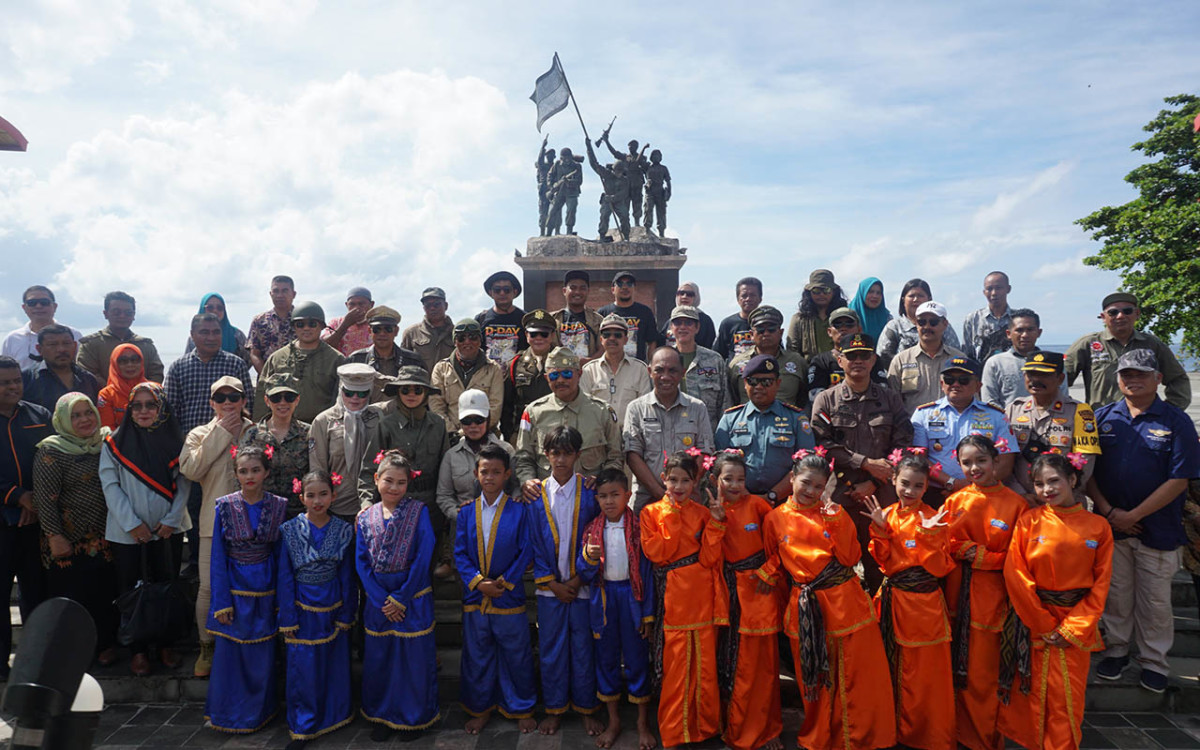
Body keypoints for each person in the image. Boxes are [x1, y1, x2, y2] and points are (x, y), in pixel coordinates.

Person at [759, 453, 896, 750]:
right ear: (792, 479)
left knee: (858, 677)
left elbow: (850, 558)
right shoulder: (774, 518)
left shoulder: (833, 512)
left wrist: (835, 520)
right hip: (806, 608)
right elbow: (777, 567)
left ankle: (861, 739)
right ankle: (821, 738)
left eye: (818, 487)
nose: (810, 491)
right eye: (805, 483)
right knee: (816, 681)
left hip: (846, 604)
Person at [1089, 349, 1200, 692]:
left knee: (1154, 600)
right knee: (1118, 595)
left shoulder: (1175, 420)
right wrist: (1110, 512)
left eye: (1141, 374)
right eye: (1126, 374)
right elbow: (1087, 471)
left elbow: (1179, 479)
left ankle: (1154, 660)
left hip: (1158, 527)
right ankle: (1118, 651)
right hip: (1112, 524)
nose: (1132, 380)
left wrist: (1133, 515)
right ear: (1117, 379)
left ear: (1158, 379)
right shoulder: (1102, 417)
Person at [998, 453, 1113, 750]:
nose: (1046, 489)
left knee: (1066, 699)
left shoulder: (1098, 527)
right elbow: (1016, 574)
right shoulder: (1028, 521)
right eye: (1038, 484)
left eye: (1053, 481)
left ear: (1073, 480)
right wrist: (1043, 623)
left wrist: (1071, 628)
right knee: (1033, 696)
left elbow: (1100, 585)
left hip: (1076, 625)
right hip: (1035, 622)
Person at [941, 434, 1029, 750]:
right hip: (957, 596)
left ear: (996, 461)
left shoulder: (1016, 504)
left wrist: (984, 558)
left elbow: (1022, 557)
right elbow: (943, 544)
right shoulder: (955, 501)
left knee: (984, 672)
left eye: (981, 461)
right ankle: (958, 733)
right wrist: (958, 549)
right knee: (958, 670)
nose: (974, 468)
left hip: (995, 599)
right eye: (966, 463)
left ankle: (985, 737)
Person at [863, 453, 954, 750]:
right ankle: (893, 729)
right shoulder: (886, 513)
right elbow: (881, 560)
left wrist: (929, 534)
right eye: (905, 483)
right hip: (893, 600)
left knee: (925, 673)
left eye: (918, 485)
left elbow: (939, 568)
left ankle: (927, 735)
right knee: (891, 667)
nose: (910, 491)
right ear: (893, 480)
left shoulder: (933, 517)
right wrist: (879, 529)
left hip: (924, 606)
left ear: (927, 487)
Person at [100, 382, 190, 676]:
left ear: (162, 408)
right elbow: (110, 486)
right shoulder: (113, 443)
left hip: (168, 531)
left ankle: (165, 645)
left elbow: (184, 485)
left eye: (150, 405)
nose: (143, 411)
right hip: (127, 534)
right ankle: (138, 650)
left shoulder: (177, 442)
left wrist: (171, 521)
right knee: (131, 591)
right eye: (136, 405)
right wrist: (132, 525)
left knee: (167, 586)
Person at [811, 333, 913, 592]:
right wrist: (865, 464)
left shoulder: (890, 398)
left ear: (873, 359)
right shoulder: (826, 400)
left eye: (864, 355)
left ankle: (884, 626)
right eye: (851, 356)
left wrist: (873, 482)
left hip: (882, 497)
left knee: (883, 566)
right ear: (839, 359)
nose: (858, 361)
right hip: (839, 497)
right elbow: (823, 446)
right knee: (837, 569)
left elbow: (903, 444)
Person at [640, 451, 727, 750]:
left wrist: (716, 524)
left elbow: (709, 558)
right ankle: (676, 733)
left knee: (704, 664)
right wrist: (673, 516)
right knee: (676, 666)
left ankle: (705, 728)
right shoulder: (650, 513)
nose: (678, 486)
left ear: (696, 482)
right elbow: (658, 553)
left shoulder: (703, 513)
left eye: (685, 481)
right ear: (663, 478)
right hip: (673, 596)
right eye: (673, 479)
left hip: (702, 593)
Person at [357, 451, 440, 741]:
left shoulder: (419, 512)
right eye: (388, 480)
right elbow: (361, 561)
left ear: (408, 485)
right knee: (381, 659)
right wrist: (381, 599)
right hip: (378, 602)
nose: (394, 488)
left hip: (412, 598)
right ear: (376, 479)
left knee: (412, 661)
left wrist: (402, 597)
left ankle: (414, 717)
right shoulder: (365, 517)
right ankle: (381, 715)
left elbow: (423, 554)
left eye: (401, 483)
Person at [205, 445, 287, 734]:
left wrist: (281, 599)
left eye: (255, 470)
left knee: (261, 655)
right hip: (235, 592)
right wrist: (221, 601)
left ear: (266, 472)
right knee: (231, 656)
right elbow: (217, 556)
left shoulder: (279, 505)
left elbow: (281, 556)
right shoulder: (225, 506)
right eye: (243, 471)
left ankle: (260, 712)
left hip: (266, 591)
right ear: (236, 474)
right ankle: (227, 713)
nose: (249, 475)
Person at [455, 444, 538, 734]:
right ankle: (480, 708)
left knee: (516, 653)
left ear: (507, 475)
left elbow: (526, 548)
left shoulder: (519, 511)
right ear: (477, 475)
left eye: (495, 472)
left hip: (508, 593)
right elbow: (460, 553)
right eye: (484, 472)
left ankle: (521, 706)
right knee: (478, 654)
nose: (489, 477)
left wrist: (504, 582)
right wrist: (479, 583)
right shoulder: (466, 512)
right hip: (477, 597)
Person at [32, 392, 119, 666]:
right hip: (66, 540)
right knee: (73, 598)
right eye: (76, 415)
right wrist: (55, 537)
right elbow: (45, 499)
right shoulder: (51, 450)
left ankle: (105, 645)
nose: (84, 420)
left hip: (104, 537)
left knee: (104, 593)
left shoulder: (105, 441)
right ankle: (75, 654)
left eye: (88, 412)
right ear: (63, 420)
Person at [179, 375, 254, 678]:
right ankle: (206, 647)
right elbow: (191, 470)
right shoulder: (199, 433)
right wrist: (221, 433)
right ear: (212, 403)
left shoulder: (255, 432)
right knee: (209, 588)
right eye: (220, 398)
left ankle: (247, 644)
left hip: (252, 521)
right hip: (214, 521)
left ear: (243, 401)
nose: (227, 404)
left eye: (233, 398)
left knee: (250, 587)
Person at [576, 468, 656, 750]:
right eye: (603, 496)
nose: (609, 501)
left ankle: (642, 723)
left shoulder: (639, 528)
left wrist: (647, 613)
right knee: (606, 659)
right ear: (596, 499)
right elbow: (583, 573)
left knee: (636, 659)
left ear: (628, 495)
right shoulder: (591, 529)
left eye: (615, 495)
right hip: (604, 598)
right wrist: (587, 557)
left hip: (632, 598)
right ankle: (613, 721)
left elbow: (646, 574)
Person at [530, 426, 602, 734]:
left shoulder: (590, 492)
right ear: (546, 455)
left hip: (581, 587)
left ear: (578, 455)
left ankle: (587, 708)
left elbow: (595, 534)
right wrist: (553, 583)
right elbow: (532, 541)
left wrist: (577, 578)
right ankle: (555, 708)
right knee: (551, 650)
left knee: (584, 649)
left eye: (567, 453)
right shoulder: (536, 494)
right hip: (550, 591)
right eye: (555, 453)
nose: (561, 459)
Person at [277, 471, 356, 749]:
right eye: (311, 495)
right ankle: (304, 723)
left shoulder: (345, 530)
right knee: (303, 669)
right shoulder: (288, 530)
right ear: (301, 498)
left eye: (323, 494)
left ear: (333, 496)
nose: (317, 500)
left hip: (333, 606)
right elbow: (285, 577)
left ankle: (336, 715)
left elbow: (347, 575)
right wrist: (287, 615)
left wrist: (347, 612)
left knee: (334, 665)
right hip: (302, 608)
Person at [712, 451, 785, 750]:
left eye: (741, 479)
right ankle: (732, 726)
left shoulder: (758, 505)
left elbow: (781, 545)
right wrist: (715, 520)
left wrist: (769, 571)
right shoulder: (710, 510)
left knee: (762, 666)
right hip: (725, 595)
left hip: (758, 593)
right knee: (727, 663)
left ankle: (767, 728)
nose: (735, 485)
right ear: (716, 479)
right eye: (728, 478)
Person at [514, 347, 623, 498]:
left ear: (579, 374)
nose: (560, 380)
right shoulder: (532, 412)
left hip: (589, 498)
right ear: (546, 378)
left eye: (567, 374)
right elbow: (523, 456)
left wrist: (603, 479)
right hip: (545, 499)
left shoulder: (602, 412)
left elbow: (616, 456)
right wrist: (527, 481)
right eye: (554, 375)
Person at [0, 356, 51, 678]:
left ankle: (35, 662)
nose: (13, 387)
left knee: (37, 596)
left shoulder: (39, 415)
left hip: (36, 523)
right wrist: (17, 496)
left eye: (16, 380)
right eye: (5, 383)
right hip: (2, 524)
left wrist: (36, 503)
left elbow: (51, 461)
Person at [911, 356, 1018, 504]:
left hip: (983, 494)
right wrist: (951, 483)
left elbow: (1005, 463)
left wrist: (972, 487)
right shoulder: (923, 414)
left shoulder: (997, 416)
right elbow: (919, 458)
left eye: (963, 380)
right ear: (942, 384)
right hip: (936, 493)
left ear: (978, 386)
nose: (955, 384)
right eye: (949, 379)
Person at [435, 390, 517, 579]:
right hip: (464, 530)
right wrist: (461, 515)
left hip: (502, 528)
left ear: (488, 419)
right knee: (469, 587)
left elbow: (516, 486)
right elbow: (444, 495)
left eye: (478, 420)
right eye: (467, 421)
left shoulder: (506, 450)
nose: (473, 426)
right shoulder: (451, 455)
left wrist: (509, 513)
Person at [373, 366, 449, 571]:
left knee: (427, 560)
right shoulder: (386, 425)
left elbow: (445, 465)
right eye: (405, 390)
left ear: (426, 393)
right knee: (397, 560)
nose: (411, 395)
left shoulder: (439, 424)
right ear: (398, 392)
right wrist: (366, 502)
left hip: (430, 503)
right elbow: (371, 466)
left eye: (418, 390)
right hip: (396, 502)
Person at [623, 347, 714, 512]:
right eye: (659, 370)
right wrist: (661, 494)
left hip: (688, 501)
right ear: (650, 371)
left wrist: (684, 489)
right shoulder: (636, 409)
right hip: (647, 501)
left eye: (673, 371)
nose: (665, 377)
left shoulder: (697, 408)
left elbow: (704, 452)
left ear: (683, 373)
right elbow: (632, 456)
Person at [715, 354, 815, 504]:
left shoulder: (796, 418)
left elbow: (806, 465)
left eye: (766, 382)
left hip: (784, 503)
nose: (759, 387)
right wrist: (745, 496)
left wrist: (773, 495)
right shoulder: (730, 419)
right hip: (738, 501)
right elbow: (718, 464)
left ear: (778, 383)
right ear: (745, 384)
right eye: (753, 381)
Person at [1065, 292, 1191, 410]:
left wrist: (1171, 410)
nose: (1120, 316)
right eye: (1113, 312)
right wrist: (1067, 412)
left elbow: (1177, 378)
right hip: (1101, 423)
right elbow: (1059, 380)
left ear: (1137, 314)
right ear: (1103, 317)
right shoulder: (1087, 344)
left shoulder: (1152, 344)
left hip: (1145, 422)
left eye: (1127, 311)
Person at [1004, 352, 1099, 500]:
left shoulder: (1080, 411)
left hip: (1066, 501)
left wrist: (1055, 495)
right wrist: (1022, 494)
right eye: (1031, 374)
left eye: (1044, 375)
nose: (1036, 379)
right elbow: (1005, 459)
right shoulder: (1012, 409)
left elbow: (1085, 463)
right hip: (1022, 500)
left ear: (1060, 378)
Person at [308, 364, 381, 524]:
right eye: (348, 393)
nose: (355, 398)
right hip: (336, 507)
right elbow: (318, 468)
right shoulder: (324, 421)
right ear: (341, 390)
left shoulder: (379, 418)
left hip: (373, 506)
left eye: (362, 393)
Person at [255, 301, 346, 423]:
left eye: (312, 324)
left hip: (322, 427)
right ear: (294, 327)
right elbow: (262, 394)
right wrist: (258, 427)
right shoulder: (277, 358)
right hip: (283, 428)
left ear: (322, 326)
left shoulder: (336, 359)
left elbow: (343, 400)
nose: (306, 328)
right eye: (300, 324)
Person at [165, 313, 254, 435]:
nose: (211, 338)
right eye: (205, 332)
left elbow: (248, 406)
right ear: (192, 335)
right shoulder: (178, 368)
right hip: (190, 444)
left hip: (230, 441)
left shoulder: (235, 365)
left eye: (216, 332)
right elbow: (171, 411)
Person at [240, 375, 310, 518]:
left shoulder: (309, 433)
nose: (282, 402)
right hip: (261, 513)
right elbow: (240, 474)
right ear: (267, 400)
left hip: (297, 514)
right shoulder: (253, 435)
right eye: (276, 398)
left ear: (297, 400)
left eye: (289, 397)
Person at [887, 301, 968, 413]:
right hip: (912, 428)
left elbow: (970, 399)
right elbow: (892, 402)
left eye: (933, 322)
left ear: (945, 324)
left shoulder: (959, 359)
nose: (927, 326)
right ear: (916, 324)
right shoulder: (900, 361)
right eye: (922, 322)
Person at [428, 319, 504, 434]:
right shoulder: (441, 369)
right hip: (448, 436)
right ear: (454, 342)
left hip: (485, 435)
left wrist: (471, 431)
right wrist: (453, 433)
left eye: (473, 337)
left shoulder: (493, 369)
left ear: (480, 340)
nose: (467, 342)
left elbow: (495, 407)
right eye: (461, 338)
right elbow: (436, 406)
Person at [579, 313, 651, 430]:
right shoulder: (589, 370)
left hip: (630, 436)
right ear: (601, 339)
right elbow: (583, 408)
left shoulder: (640, 369)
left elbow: (645, 408)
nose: (612, 338)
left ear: (626, 339)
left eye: (617, 335)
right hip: (599, 436)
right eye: (607, 335)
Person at [980, 309, 1065, 407]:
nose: (1025, 335)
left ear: (1039, 332)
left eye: (1030, 330)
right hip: (1007, 420)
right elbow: (989, 401)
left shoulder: (1054, 362)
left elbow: (1063, 397)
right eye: (1019, 330)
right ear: (1008, 334)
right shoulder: (995, 363)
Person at [729, 304, 808, 409]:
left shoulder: (797, 361)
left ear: (780, 333)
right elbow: (732, 397)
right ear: (751, 334)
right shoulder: (737, 364)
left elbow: (804, 398)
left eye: (771, 329)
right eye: (760, 330)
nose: (766, 334)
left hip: (787, 422)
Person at [804, 307, 889, 403]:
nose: (843, 328)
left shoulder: (871, 357)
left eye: (849, 324)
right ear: (829, 332)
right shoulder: (820, 361)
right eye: (837, 325)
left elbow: (883, 389)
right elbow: (814, 395)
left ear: (859, 329)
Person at [76, 291, 165, 382]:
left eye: (128, 313)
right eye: (116, 312)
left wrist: (141, 393)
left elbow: (156, 374)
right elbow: (88, 375)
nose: (122, 316)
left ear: (133, 315)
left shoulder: (146, 346)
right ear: (105, 314)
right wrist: (114, 392)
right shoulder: (90, 345)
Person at [346, 305, 424, 403]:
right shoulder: (355, 360)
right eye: (377, 329)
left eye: (388, 329)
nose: (382, 333)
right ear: (370, 331)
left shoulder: (413, 361)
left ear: (396, 331)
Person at [669, 305, 730, 430]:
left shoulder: (714, 360)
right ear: (671, 327)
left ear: (697, 328)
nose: (682, 327)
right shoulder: (664, 360)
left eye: (688, 323)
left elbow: (725, 402)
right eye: (678, 323)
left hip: (706, 435)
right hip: (671, 434)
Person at [503, 309, 558, 439]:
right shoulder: (515, 364)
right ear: (527, 335)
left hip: (555, 433)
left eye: (544, 334)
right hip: (523, 433)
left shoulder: (563, 362)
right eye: (533, 334)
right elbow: (507, 406)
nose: (538, 338)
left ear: (553, 335)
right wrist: (510, 435)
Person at [876, 279, 962, 359]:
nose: (916, 299)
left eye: (920, 296)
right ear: (903, 300)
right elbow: (883, 356)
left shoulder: (942, 324)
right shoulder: (894, 327)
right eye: (911, 296)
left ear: (929, 299)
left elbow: (955, 353)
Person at [21, 324, 99, 412]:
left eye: (66, 343)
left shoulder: (88, 380)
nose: (61, 349)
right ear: (39, 349)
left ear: (75, 346)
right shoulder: (26, 379)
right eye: (53, 344)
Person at [2, 285, 81, 370]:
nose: (38, 306)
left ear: (54, 306)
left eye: (44, 302)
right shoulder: (12, 339)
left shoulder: (74, 335)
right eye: (32, 303)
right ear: (24, 308)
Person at [598, 271, 662, 362]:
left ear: (634, 288)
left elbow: (652, 342)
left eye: (629, 284)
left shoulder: (645, 312)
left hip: (636, 368)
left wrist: (651, 364)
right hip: (609, 366)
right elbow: (599, 343)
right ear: (613, 289)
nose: (625, 287)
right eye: (620, 284)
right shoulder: (603, 312)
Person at [786, 268, 848, 360]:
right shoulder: (798, 319)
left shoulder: (846, 317)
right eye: (816, 291)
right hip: (809, 369)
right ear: (809, 293)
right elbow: (792, 350)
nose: (821, 294)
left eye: (826, 290)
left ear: (834, 292)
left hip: (839, 368)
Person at [476, 271, 526, 367]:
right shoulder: (481, 319)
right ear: (491, 292)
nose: (502, 293)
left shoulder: (524, 319)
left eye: (507, 290)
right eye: (497, 290)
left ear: (514, 292)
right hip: (488, 377)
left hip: (517, 376)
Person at [248, 275, 297, 374]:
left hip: (299, 380)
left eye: (284, 291)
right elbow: (254, 354)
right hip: (268, 381)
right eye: (276, 291)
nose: (280, 295)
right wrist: (266, 377)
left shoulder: (302, 320)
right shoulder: (259, 321)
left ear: (293, 294)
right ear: (271, 294)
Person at [962, 272, 1015, 362]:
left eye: (998, 288)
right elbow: (966, 354)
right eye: (989, 289)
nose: (994, 293)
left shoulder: (1017, 319)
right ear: (984, 292)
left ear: (1008, 289)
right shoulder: (973, 319)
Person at [553, 270, 605, 361]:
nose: (577, 292)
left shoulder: (598, 320)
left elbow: (603, 348)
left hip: (589, 372)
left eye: (582, 288)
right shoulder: (553, 320)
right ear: (564, 291)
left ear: (588, 291)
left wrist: (588, 362)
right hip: (561, 373)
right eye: (573, 288)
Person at [184, 293, 250, 365]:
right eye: (210, 307)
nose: (215, 311)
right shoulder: (193, 339)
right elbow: (187, 362)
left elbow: (248, 360)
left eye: (219, 308)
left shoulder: (237, 335)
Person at [585, 140, 631, 241]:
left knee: (624, 215)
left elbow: (624, 193)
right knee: (604, 215)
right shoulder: (607, 174)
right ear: (613, 170)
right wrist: (589, 147)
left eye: (621, 172)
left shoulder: (625, 180)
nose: (619, 173)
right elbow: (594, 164)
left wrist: (613, 198)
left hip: (618, 200)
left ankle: (626, 236)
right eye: (617, 171)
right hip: (606, 199)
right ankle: (602, 235)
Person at [401, 287, 454, 374]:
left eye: (437, 304)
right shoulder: (411, 333)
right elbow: (402, 365)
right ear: (424, 308)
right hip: (421, 386)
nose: (432, 308)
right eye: (428, 305)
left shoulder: (457, 333)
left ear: (446, 306)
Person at [96, 344, 146, 430]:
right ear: (114, 364)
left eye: (135, 360)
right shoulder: (106, 395)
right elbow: (107, 428)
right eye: (123, 361)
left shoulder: (155, 390)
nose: (130, 364)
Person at [602, 136, 649, 224]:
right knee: (625, 205)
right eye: (630, 146)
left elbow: (642, 165)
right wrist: (607, 141)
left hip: (636, 184)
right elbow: (614, 152)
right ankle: (625, 224)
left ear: (636, 147)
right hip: (626, 185)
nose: (631, 148)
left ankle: (637, 223)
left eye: (633, 146)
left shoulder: (642, 157)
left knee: (637, 203)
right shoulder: (624, 157)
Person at [714, 277, 762, 362]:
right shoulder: (727, 324)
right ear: (738, 299)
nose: (748, 299)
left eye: (752, 295)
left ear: (760, 298)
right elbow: (718, 355)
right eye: (744, 296)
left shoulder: (769, 323)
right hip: (735, 373)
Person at [659, 282, 716, 349]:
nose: (684, 296)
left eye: (689, 294)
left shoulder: (705, 320)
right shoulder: (670, 320)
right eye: (681, 293)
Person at [321, 286, 374, 356]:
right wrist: (345, 325)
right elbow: (323, 346)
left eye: (361, 304)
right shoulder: (336, 323)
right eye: (352, 304)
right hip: (341, 366)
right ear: (346, 305)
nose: (357, 308)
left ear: (371, 304)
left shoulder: (376, 325)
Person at [546, 146, 583, 236]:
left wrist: (568, 182)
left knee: (571, 210)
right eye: (564, 158)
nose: (567, 160)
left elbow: (579, 181)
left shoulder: (577, 166)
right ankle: (549, 231)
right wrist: (552, 186)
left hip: (572, 192)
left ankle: (569, 231)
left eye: (568, 158)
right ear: (561, 158)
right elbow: (550, 175)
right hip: (560, 192)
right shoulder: (557, 164)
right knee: (553, 211)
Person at [848, 276, 892, 342]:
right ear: (862, 292)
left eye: (878, 293)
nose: (875, 296)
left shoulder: (887, 318)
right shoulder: (848, 315)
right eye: (870, 292)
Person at [642, 148, 671, 237]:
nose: (656, 157)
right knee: (648, 210)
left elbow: (668, 181)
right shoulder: (647, 167)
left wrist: (669, 192)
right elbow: (638, 161)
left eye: (658, 156)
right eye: (654, 156)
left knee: (661, 212)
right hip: (650, 191)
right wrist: (643, 148)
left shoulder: (664, 168)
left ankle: (661, 232)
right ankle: (647, 229)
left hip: (660, 191)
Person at [536, 136, 556, 236]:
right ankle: (542, 232)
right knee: (543, 212)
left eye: (552, 155)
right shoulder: (543, 166)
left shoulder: (556, 167)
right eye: (548, 155)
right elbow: (539, 160)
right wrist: (543, 147)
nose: (550, 157)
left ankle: (550, 232)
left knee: (553, 212)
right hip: (544, 190)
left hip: (553, 190)